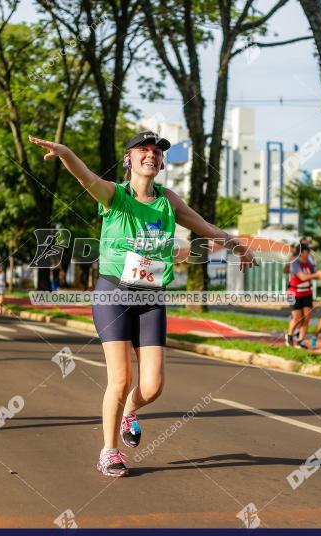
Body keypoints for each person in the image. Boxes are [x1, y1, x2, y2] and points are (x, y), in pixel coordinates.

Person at [30, 131, 257, 477]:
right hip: (114, 294)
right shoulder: (115, 195)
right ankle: (109, 451)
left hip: (150, 297)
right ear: (129, 159)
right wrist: (64, 152)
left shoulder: (168, 200)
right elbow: (85, 176)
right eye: (143, 150)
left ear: (161, 162)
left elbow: (202, 225)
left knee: (152, 387)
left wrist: (236, 245)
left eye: (156, 152)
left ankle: (129, 412)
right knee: (120, 379)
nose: (151, 155)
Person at [286, 242, 321, 349]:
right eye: (307, 252)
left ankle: (300, 341)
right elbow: (302, 277)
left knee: (307, 318)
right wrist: (316, 275)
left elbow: (314, 275)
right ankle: (289, 336)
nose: (309, 254)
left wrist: (320, 274)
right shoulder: (295, 263)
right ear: (302, 253)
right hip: (294, 293)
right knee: (297, 318)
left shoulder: (309, 263)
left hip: (307, 293)